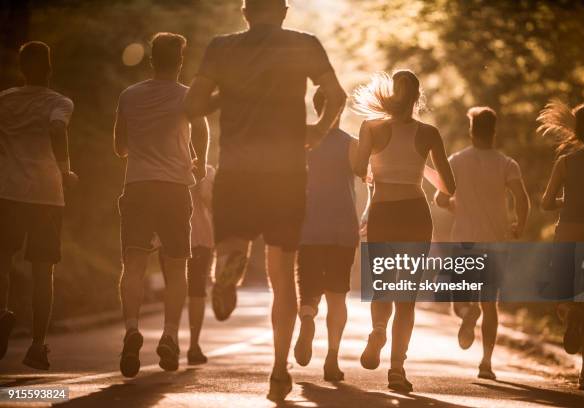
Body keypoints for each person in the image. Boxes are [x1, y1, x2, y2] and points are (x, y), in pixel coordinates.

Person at [185, 0, 346, 401]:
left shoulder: (221, 48)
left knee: (234, 243)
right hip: (287, 173)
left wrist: (225, 94)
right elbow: (336, 94)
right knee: (282, 273)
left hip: (236, 170)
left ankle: (227, 271)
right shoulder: (305, 44)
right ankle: (278, 368)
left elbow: (192, 107)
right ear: (284, 11)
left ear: (245, 13)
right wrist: (318, 132)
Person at [352, 70, 455, 392]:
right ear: (417, 98)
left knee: (383, 285)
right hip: (415, 214)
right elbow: (449, 186)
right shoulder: (428, 133)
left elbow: (357, 167)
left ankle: (378, 331)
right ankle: (397, 370)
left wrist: (375, 169)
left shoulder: (371, 127)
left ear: (390, 95)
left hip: (383, 212)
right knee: (406, 297)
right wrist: (419, 166)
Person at [114, 32, 209, 378]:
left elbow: (120, 148)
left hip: (138, 185)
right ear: (180, 62)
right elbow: (202, 129)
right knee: (176, 265)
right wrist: (198, 161)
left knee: (134, 261)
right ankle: (170, 333)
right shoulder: (188, 97)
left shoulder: (129, 95)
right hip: (173, 189)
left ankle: (131, 328)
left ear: (151, 60)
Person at [435, 107, 530, 380]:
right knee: (491, 305)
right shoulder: (506, 163)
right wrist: (519, 225)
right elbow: (521, 199)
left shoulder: (455, 161)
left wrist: (458, 207)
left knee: (459, 302)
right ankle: (486, 363)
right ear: (494, 132)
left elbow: (440, 200)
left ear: (471, 131)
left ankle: (467, 311)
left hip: (465, 240)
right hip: (497, 242)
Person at [0, 41, 77, 371]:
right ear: (49, 68)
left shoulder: (4, 100)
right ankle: (37, 345)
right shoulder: (59, 102)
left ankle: (2, 313)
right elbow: (57, 127)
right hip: (46, 193)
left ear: (21, 69)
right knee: (43, 270)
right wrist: (65, 169)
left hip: (8, 191)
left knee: (3, 259)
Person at [539, 101, 584, 391]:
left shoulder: (566, 162)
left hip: (568, 232)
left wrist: (567, 202)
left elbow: (545, 203)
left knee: (562, 293)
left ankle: (568, 312)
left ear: (577, 131)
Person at [293, 88, 359, 382]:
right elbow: (368, 176)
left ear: (315, 107)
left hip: (308, 228)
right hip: (342, 228)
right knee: (337, 296)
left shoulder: (302, 140)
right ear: (340, 110)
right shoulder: (351, 144)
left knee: (308, 290)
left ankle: (307, 318)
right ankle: (332, 359)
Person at [158, 162, 216, 366]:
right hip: (200, 238)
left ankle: (170, 339)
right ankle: (194, 346)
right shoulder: (207, 172)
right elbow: (211, 204)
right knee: (197, 292)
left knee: (173, 288)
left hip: (170, 237)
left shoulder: (166, 166)